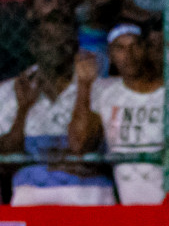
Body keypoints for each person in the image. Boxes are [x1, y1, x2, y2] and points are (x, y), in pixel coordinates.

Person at [0, 17, 117, 205]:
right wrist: (23, 110)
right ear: (33, 45)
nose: (57, 46)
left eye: (65, 40)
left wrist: (84, 86)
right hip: (30, 202)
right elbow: (6, 161)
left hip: (89, 200)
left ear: (75, 47)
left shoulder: (101, 89)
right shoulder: (8, 92)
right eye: (48, 39)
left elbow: (82, 145)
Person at [70, 22, 169, 205]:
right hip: (131, 207)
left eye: (135, 46)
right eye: (119, 48)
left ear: (146, 48)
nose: (128, 55)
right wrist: (84, 85)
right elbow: (80, 144)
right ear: (110, 55)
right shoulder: (105, 92)